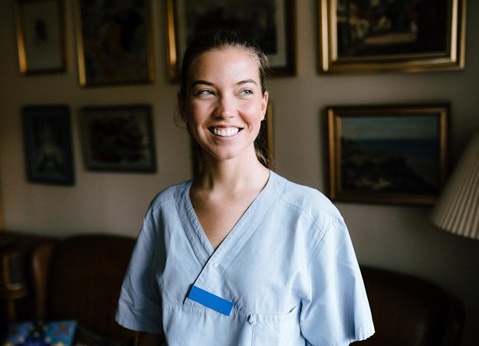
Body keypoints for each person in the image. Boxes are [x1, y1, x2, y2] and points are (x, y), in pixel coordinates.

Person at [115, 30, 375, 345]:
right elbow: (149, 333)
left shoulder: (311, 217)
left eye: (245, 91)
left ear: (263, 105)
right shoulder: (164, 212)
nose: (226, 110)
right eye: (206, 92)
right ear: (184, 106)